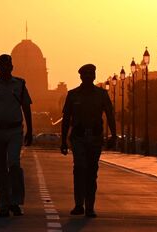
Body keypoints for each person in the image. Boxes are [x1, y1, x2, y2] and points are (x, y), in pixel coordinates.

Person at [0, 54, 33, 218]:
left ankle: (15, 202)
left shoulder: (20, 84)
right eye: (3, 66)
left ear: (12, 67)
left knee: (14, 164)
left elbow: (26, 108)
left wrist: (30, 130)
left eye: (8, 65)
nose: (6, 68)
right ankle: (3, 204)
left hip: (15, 130)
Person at [60, 64, 116, 218]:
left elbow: (110, 116)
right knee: (79, 168)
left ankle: (89, 206)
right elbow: (66, 119)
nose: (89, 77)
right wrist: (63, 140)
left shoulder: (101, 95)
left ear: (94, 76)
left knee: (92, 171)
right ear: (81, 76)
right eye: (86, 74)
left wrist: (114, 135)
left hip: (95, 138)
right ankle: (79, 204)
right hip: (78, 137)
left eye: (91, 74)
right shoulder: (73, 95)